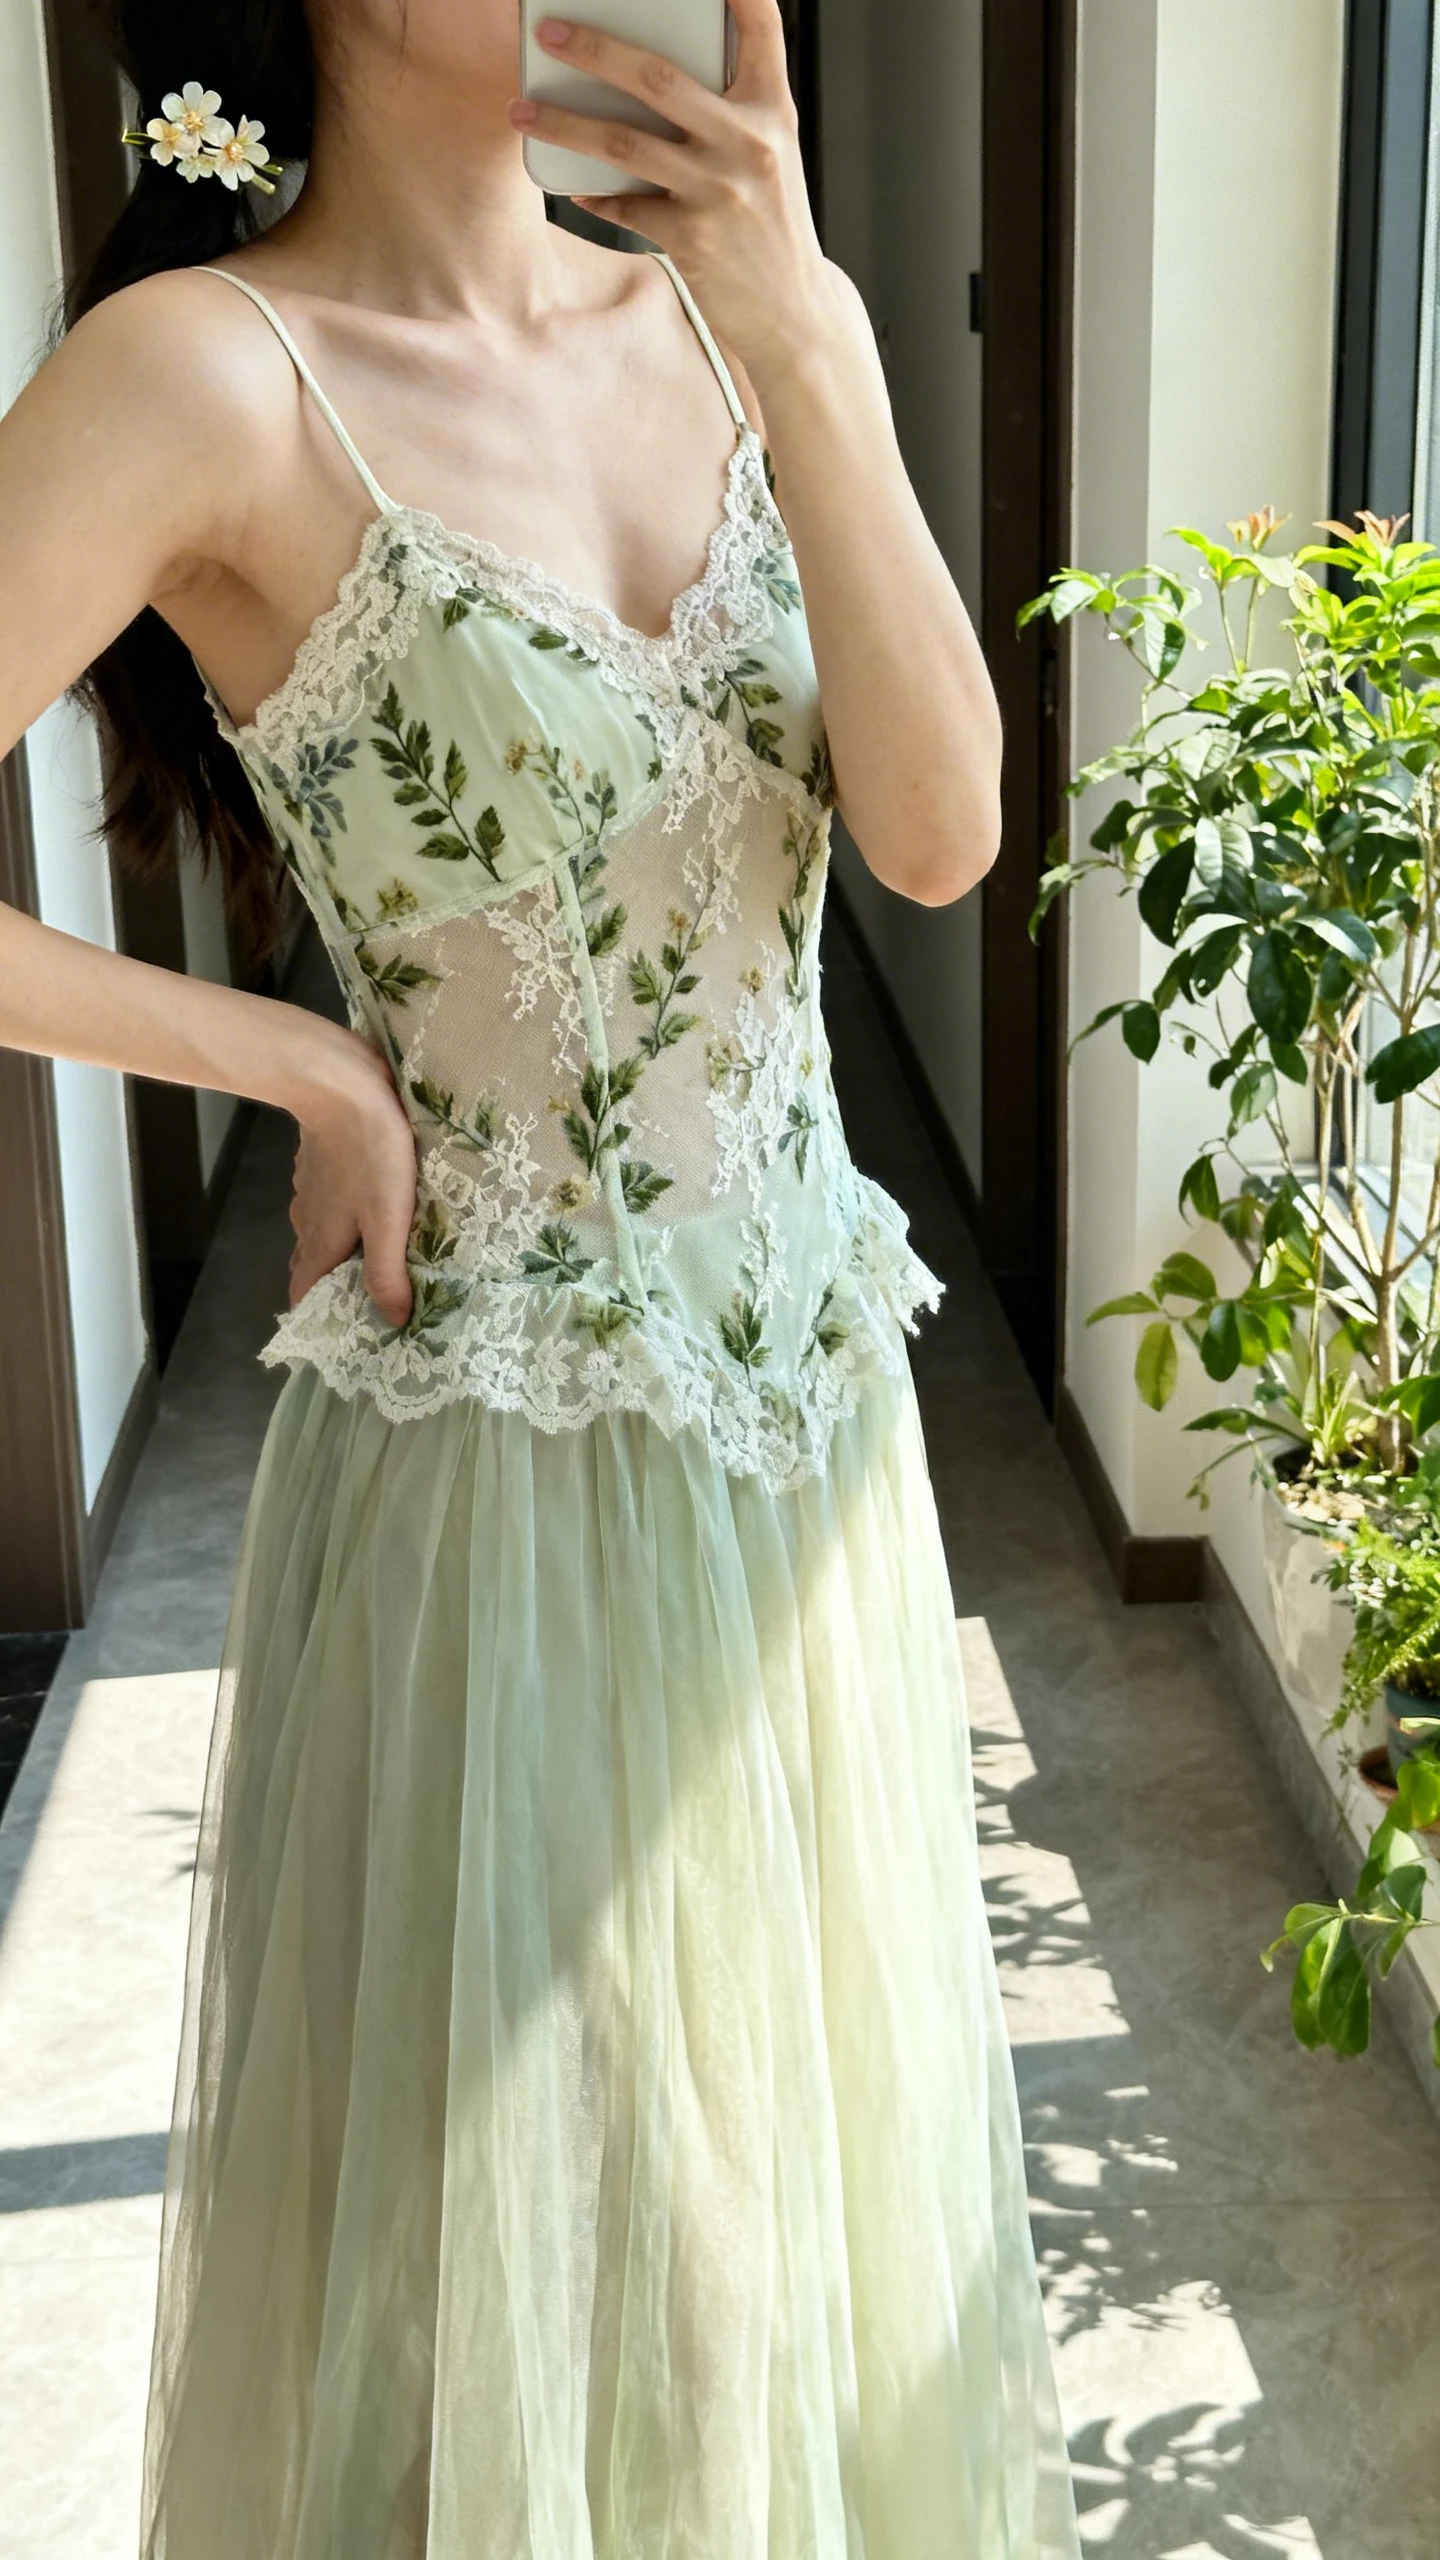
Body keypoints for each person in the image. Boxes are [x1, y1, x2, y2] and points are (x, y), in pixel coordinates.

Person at [0, 1, 1081, 2550]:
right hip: (499, 1516)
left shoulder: (724, 305)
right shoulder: (208, 374)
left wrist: (813, 328)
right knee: (557, 2322)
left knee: (793, 2293)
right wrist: (300, 1062)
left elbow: (936, 834)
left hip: (810, 1469)